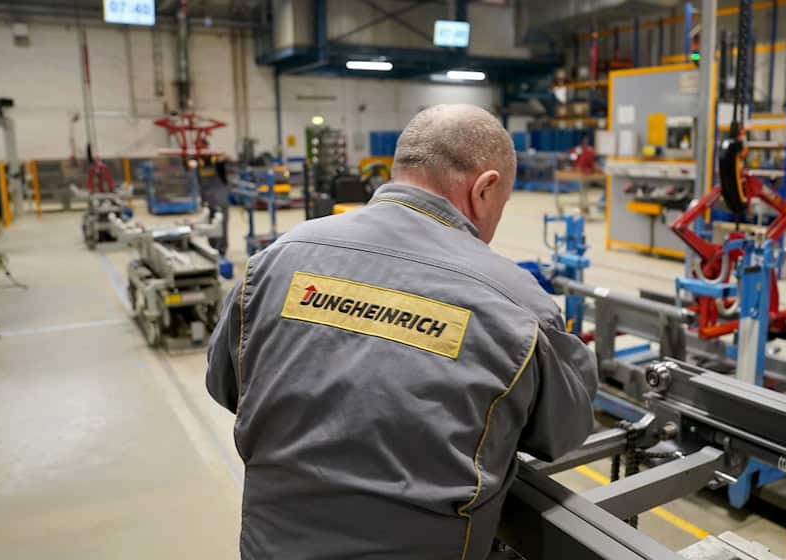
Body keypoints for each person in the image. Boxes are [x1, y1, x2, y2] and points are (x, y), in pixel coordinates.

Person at [206, 104, 598, 559]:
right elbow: (563, 431)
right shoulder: (517, 303)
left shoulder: (276, 261)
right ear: (485, 189)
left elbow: (226, 385)